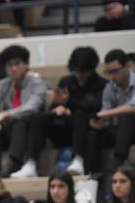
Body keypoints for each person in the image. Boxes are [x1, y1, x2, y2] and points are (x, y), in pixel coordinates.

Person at [33, 47, 107, 176]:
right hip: (63, 127)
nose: (79, 76)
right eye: (76, 72)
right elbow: (55, 105)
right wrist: (57, 107)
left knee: (80, 115)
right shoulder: (66, 81)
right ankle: (30, 163)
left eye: (83, 72)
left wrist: (69, 102)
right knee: (39, 117)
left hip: (86, 128)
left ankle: (79, 160)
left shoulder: (102, 85)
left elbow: (95, 108)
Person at [0, 45, 47, 177]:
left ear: (26, 65)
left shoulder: (37, 83)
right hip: (7, 130)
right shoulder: (2, 84)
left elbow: (32, 107)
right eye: (10, 65)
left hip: (31, 132)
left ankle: (14, 163)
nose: (13, 69)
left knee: (19, 121)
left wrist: (5, 114)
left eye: (17, 64)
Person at [86, 49, 135, 175]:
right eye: (108, 72)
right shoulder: (109, 87)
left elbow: (132, 107)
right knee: (94, 134)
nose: (112, 76)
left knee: (128, 116)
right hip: (122, 131)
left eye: (115, 71)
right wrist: (100, 122)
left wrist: (105, 114)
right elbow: (105, 111)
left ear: (127, 66)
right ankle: (93, 175)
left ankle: (118, 162)